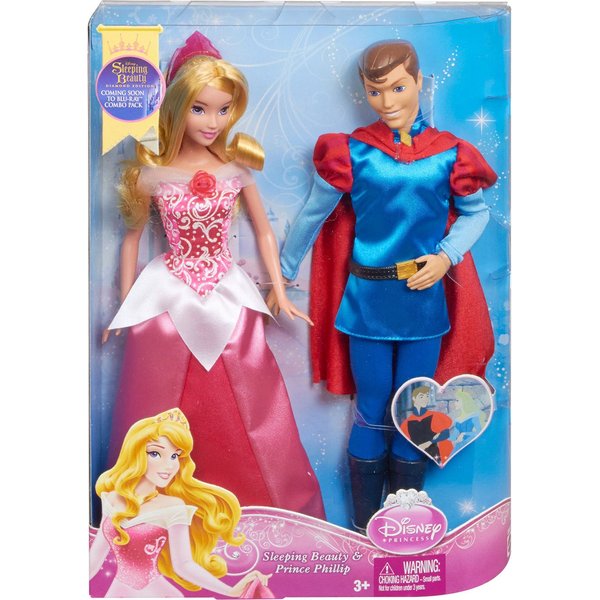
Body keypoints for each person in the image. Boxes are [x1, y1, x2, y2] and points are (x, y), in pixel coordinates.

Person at [268, 39, 496, 530]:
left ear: (419, 82)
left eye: (397, 87)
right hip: (368, 301)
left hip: (423, 301)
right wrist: (283, 272)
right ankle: (365, 524)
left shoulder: (451, 153)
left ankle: (405, 522)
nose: (387, 102)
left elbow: (476, 214)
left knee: (415, 408)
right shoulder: (352, 151)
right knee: (372, 408)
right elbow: (313, 214)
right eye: (375, 92)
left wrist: (446, 254)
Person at [102, 32, 324, 519]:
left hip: (226, 290)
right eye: (200, 109)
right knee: (155, 398)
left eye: (223, 110)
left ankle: (267, 510)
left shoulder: (236, 169)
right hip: (166, 295)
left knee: (251, 395)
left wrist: (280, 292)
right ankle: (143, 515)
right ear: (177, 106)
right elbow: (131, 240)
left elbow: (264, 232)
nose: (212, 121)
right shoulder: (151, 173)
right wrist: (124, 309)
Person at [89, 408, 272, 597]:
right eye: (155, 453)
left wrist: (231, 591)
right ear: (135, 453)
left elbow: (184, 564)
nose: (169, 465)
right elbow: (94, 560)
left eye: (175, 456)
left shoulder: (174, 507)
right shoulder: (111, 498)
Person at [399, 386, 453, 465]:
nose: (425, 399)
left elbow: (446, 433)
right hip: (414, 459)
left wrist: (430, 442)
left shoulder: (435, 416)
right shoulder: (406, 423)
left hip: (434, 458)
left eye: (427, 396)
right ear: (414, 398)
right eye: (421, 397)